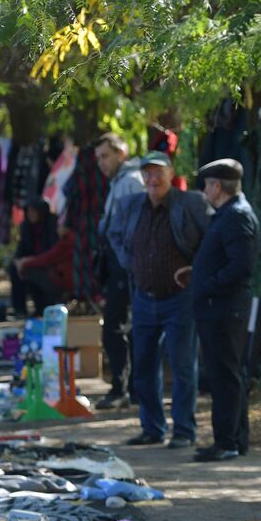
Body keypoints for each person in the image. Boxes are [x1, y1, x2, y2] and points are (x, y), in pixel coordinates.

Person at [106, 151, 211, 449]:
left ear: (170, 173)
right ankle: (152, 427)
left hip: (179, 298)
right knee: (144, 366)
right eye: (147, 173)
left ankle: (184, 430)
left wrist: (196, 267)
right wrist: (130, 261)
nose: (153, 179)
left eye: (158, 173)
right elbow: (113, 235)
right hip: (144, 296)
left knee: (181, 365)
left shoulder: (190, 203)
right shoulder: (130, 205)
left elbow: (212, 237)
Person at [180, 159, 257, 462]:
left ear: (218, 186)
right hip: (218, 308)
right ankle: (234, 439)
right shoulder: (228, 214)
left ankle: (227, 441)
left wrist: (209, 284)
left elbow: (241, 265)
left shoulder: (236, 216)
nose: (205, 189)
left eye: (209, 183)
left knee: (225, 377)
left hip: (223, 310)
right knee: (227, 375)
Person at [95, 134, 143, 408]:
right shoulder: (117, 182)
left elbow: (136, 229)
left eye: (106, 156)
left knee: (120, 326)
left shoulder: (131, 182)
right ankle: (124, 387)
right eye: (99, 158)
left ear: (121, 154)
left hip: (127, 265)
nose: (102, 163)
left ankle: (126, 388)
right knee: (116, 325)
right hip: (117, 265)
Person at [9, 200, 59, 317]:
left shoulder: (51, 224)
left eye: (33, 212)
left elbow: (52, 252)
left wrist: (29, 261)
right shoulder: (26, 226)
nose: (31, 215)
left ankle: (42, 307)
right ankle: (20, 310)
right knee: (14, 269)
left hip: (48, 265)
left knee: (30, 270)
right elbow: (21, 248)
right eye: (29, 212)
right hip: (31, 263)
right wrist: (18, 261)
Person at [14, 225, 76, 306]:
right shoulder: (70, 239)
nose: (57, 230)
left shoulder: (67, 241)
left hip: (67, 283)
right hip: (68, 279)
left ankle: (44, 304)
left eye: (59, 227)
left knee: (28, 270)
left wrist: (24, 262)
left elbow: (47, 258)